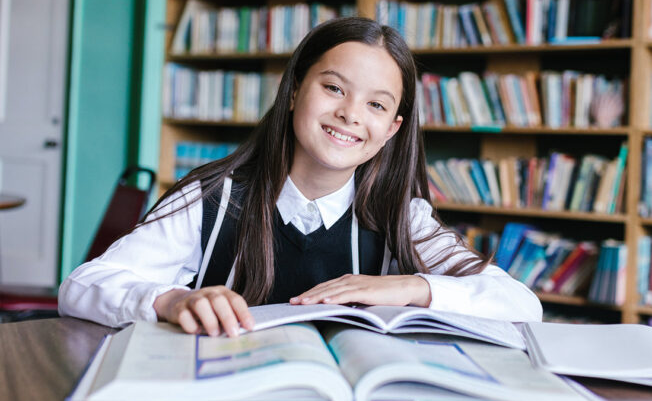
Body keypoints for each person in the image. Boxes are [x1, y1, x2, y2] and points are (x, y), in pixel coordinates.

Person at [58, 17, 542, 336]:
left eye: (376, 104)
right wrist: (169, 301)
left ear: (392, 129)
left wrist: (411, 287)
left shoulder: (402, 216)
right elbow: (82, 286)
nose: (351, 114)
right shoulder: (210, 198)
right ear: (293, 92)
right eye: (333, 87)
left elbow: (521, 304)